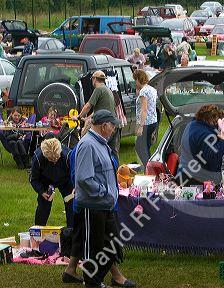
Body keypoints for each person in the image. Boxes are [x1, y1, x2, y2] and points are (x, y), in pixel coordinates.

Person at [74, 109, 128, 288]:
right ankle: (92, 282)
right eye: (112, 125)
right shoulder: (88, 145)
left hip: (105, 206)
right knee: (94, 249)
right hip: (93, 206)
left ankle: (99, 280)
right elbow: (84, 178)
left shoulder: (101, 143)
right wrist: (104, 192)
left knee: (111, 247)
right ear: (104, 126)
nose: (114, 129)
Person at [72, 70, 120, 159]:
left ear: (94, 79)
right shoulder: (107, 89)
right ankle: (116, 171)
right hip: (113, 124)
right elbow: (98, 110)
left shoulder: (98, 89)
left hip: (105, 126)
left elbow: (88, 106)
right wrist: (87, 118)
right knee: (113, 152)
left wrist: (79, 117)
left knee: (96, 147)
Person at [176, 104, 224, 186]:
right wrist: (223, 141)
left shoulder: (190, 126)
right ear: (213, 119)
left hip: (184, 175)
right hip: (199, 181)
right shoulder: (206, 134)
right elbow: (213, 159)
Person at [30, 138, 74, 228]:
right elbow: (34, 178)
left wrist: (75, 187)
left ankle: (72, 232)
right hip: (45, 180)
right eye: (50, 159)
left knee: (71, 205)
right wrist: (41, 191)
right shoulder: (38, 157)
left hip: (66, 180)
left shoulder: (68, 155)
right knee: (43, 205)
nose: (54, 161)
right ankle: (38, 231)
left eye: (57, 158)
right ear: (44, 155)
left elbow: (75, 173)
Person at [133, 69, 158, 168]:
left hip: (146, 122)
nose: (135, 82)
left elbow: (144, 109)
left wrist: (140, 126)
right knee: (145, 146)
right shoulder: (152, 89)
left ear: (139, 79)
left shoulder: (143, 91)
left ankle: (148, 168)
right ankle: (148, 166)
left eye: (135, 80)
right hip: (153, 121)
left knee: (140, 147)